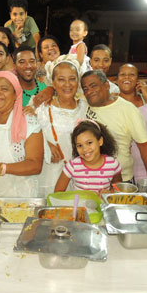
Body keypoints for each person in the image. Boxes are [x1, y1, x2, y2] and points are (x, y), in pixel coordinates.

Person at [81, 70, 147, 182]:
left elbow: (145, 146)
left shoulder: (128, 110)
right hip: (87, 180)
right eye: (85, 89)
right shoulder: (82, 105)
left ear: (106, 85)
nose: (89, 92)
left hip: (120, 181)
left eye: (94, 86)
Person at [35, 55, 88, 196]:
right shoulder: (42, 108)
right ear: (52, 82)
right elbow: (22, 136)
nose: (67, 84)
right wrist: (46, 145)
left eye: (72, 79)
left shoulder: (86, 108)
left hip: (80, 181)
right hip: (48, 178)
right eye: (61, 79)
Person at [54, 120, 122, 195]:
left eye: (89, 143)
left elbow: (118, 186)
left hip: (104, 206)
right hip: (79, 206)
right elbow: (57, 193)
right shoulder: (72, 166)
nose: (85, 149)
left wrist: (110, 192)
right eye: (80, 145)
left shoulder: (112, 164)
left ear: (100, 141)